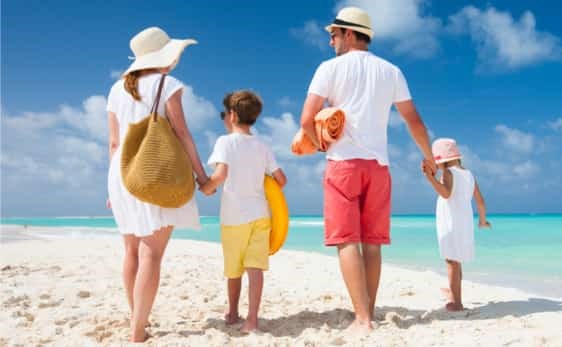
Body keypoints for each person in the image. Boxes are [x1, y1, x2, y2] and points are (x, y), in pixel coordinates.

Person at [299, 7, 435, 332]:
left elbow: (306, 119)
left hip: (343, 165)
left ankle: (361, 318)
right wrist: (429, 156)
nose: (331, 40)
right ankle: (368, 311)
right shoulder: (391, 71)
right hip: (379, 167)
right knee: (372, 243)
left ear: (349, 33)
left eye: (334, 34)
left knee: (347, 242)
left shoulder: (329, 69)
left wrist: (320, 144)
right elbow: (413, 120)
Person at [106, 27, 208, 342]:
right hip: (153, 171)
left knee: (131, 252)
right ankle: (138, 331)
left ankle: (137, 318)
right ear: (165, 56)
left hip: (122, 174)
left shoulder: (115, 89)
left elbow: (113, 143)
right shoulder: (168, 84)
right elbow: (182, 133)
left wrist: (113, 188)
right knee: (151, 254)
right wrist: (201, 177)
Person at [200, 90, 287, 333]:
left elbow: (220, 175)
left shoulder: (225, 142)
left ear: (233, 116)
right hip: (261, 216)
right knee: (255, 269)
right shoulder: (262, 146)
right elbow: (281, 179)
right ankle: (252, 320)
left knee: (234, 270)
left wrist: (206, 187)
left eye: (223, 114)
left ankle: (232, 313)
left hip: (234, 217)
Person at [421, 138, 490, 311]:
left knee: (451, 260)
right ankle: (454, 293)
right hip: (464, 221)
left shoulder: (448, 173)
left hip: (451, 221)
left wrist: (430, 178)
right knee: (456, 260)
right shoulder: (469, 175)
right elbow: (480, 201)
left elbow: (446, 193)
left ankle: (457, 303)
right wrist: (482, 220)